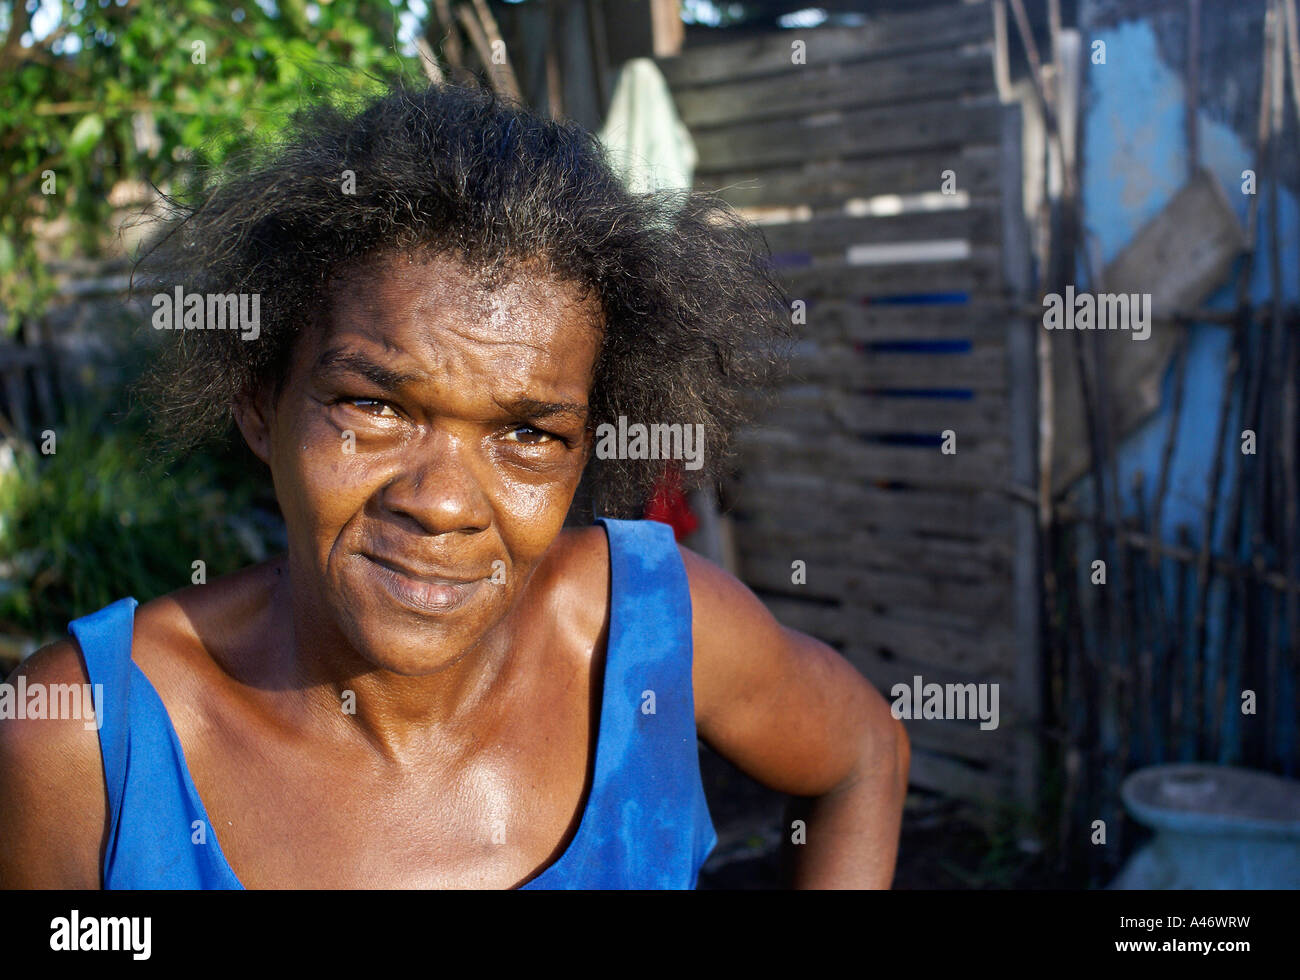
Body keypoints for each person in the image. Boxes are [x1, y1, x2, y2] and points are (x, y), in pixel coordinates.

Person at [0, 82, 908, 889]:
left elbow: (862, 753)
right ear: (259, 401)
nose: (440, 503)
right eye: (374, 406)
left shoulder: (650, 632)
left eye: (527, 434)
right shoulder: (87, 744)